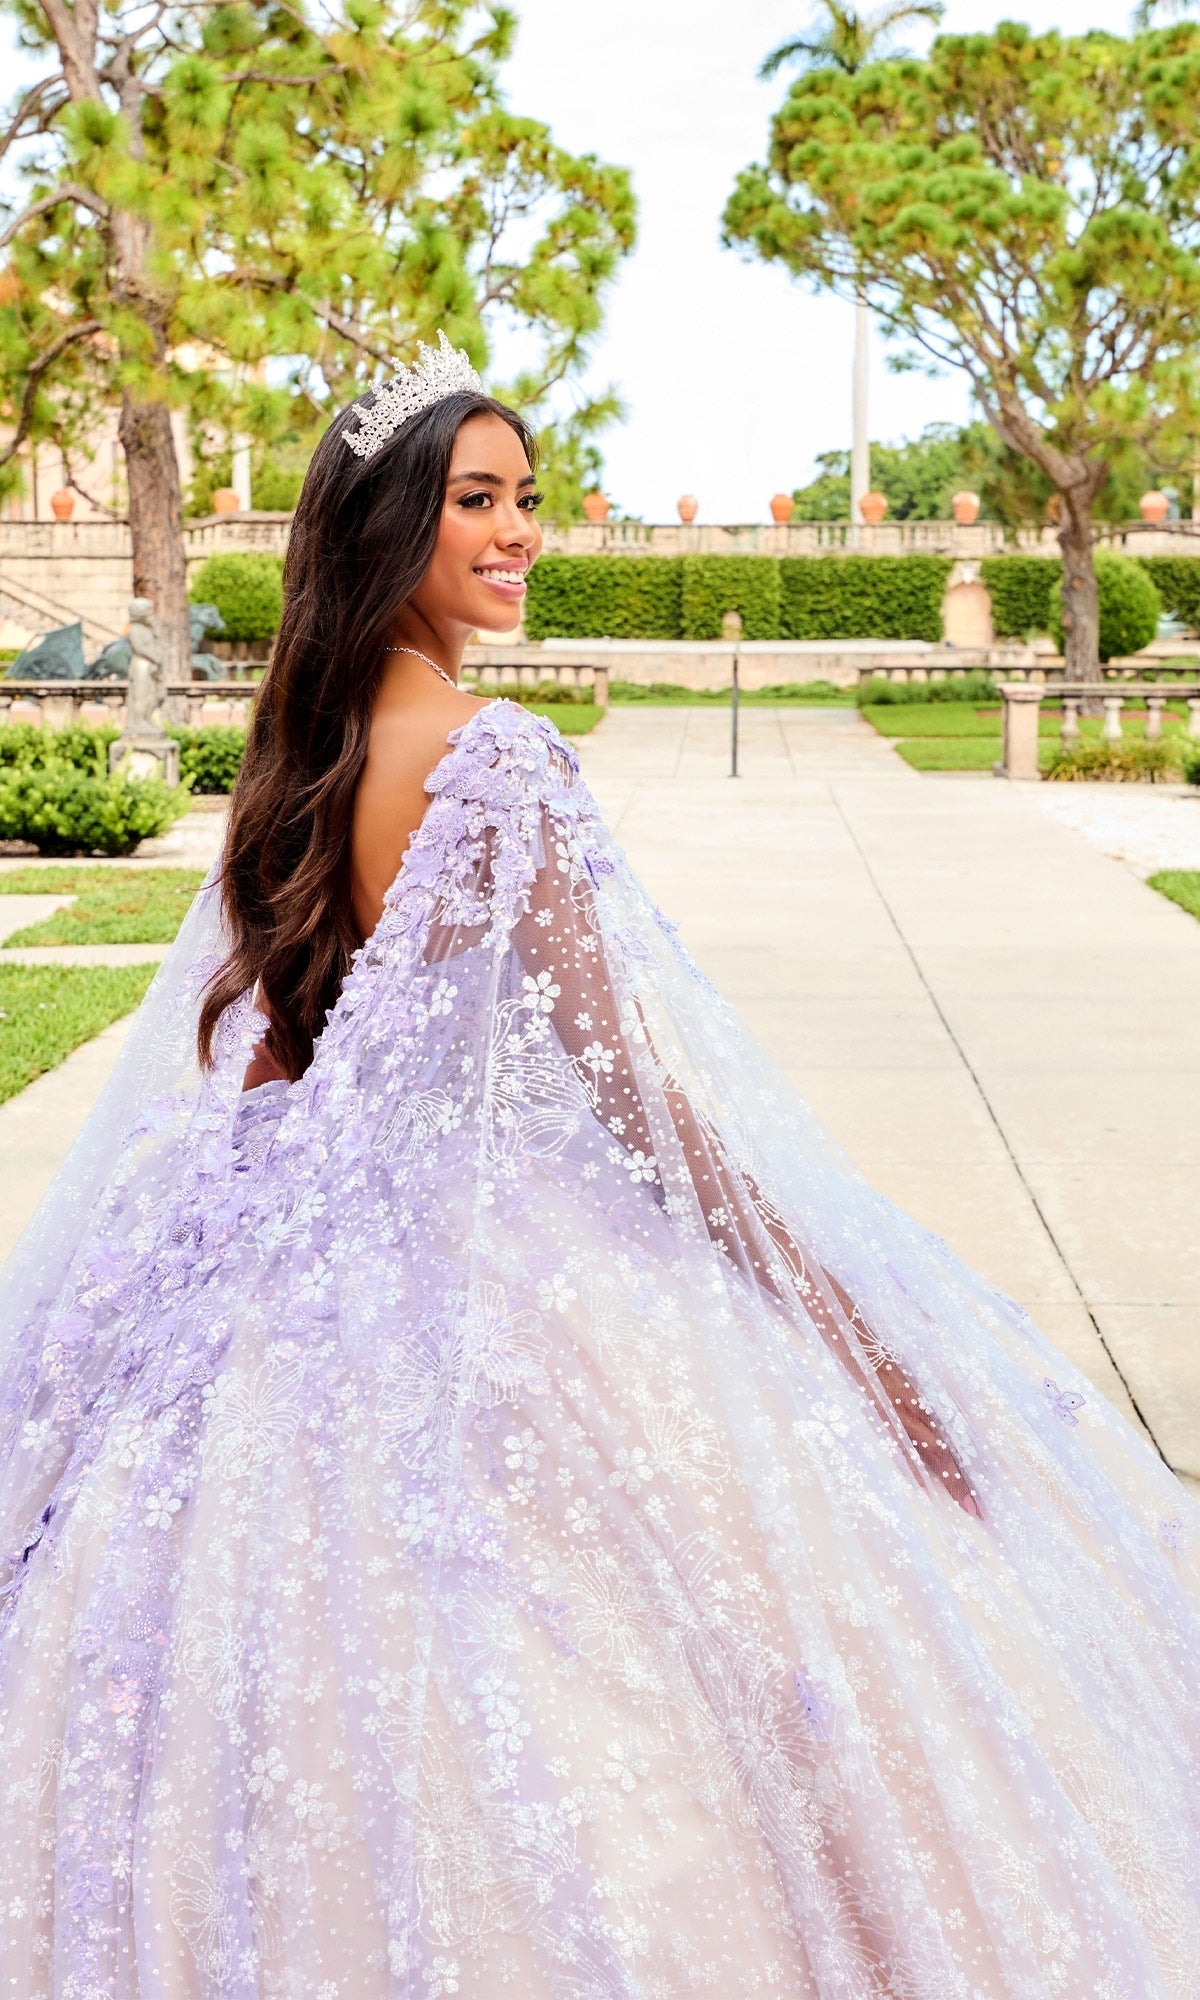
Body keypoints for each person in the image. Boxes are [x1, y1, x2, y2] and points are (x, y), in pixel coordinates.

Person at [1, 337, 1198, 2000]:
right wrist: (834, 1304)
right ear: (392, 520)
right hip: (480, 1255)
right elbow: (626, 1083)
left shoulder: (313, 734)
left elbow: (283, 1050)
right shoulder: (493, 757)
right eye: (475, 500)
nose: (518, 532)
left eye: (530, 499)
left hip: (293, 1273)